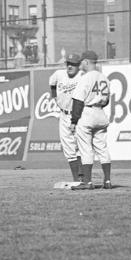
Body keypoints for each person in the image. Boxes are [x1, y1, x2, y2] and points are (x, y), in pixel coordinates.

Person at [69, 50, 112, 190]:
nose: (80, 63)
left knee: (85, 149)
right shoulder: (104, 78)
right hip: (100, 112)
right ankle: (107, 181)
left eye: (81, 61)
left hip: (87, 113)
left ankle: (87, 182)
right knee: (102, 148)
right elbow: (106, 101)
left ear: (86, 62)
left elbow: (78, 101)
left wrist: (74, 121)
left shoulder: (85, 78)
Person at [49, 53, 84, 183]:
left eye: (73, 64)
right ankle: (76, 179)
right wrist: (55, 97)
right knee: (68, 148)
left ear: (78, 65)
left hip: (79, 115)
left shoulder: (82, 76)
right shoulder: (59, 74)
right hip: (64, 115)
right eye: (68, 63)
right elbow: (52, 83)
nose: (70, 66)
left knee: (81, 146)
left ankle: (84, 178)